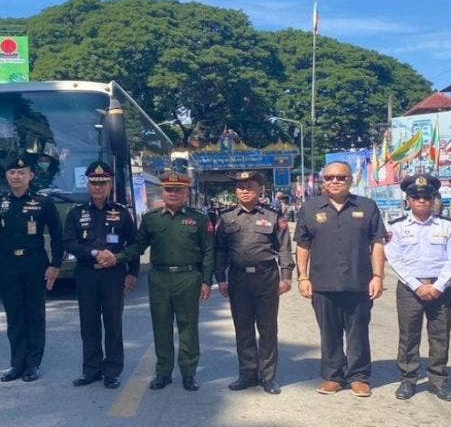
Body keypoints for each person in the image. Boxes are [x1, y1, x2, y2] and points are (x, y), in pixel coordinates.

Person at [294, 161, 386, 397]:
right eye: (329, 177)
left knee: (358, 332)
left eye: (341, 177)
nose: (335, 181)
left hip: (359, 282)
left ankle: (358, 376)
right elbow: (303, 245)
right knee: (329, 333)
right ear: (323, 181)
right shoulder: (310, 208)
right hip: (322, 283)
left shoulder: (367, 206)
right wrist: (302, 277)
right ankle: (333, 376)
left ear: (350, 180)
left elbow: (377, 242)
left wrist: (378, 276)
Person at [117, 170, 214, 391]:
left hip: (188, 277)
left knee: (188, 327)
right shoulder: (151, 219)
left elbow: (208, 252)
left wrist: (207, 281)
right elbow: (138, 246)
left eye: (178, 190)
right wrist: (118, 257)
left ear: (186, 193)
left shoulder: (199, 219)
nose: (172, 193)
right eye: (169, 189)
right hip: (159, 278)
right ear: (163, 192)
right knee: (161, 326)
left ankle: (189, 373)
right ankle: (163, 373)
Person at [0, 152, 63, 383]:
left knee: (34, 315)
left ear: (31, 175)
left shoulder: (43, 202)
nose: (16, 176)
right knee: (14, 315)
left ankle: (33, 363)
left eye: (21, 172)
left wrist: (55, 264)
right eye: (12, 172)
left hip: (35, 264)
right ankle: (17, 363)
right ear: (6, 175)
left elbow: (57, 235)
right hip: (8, 265)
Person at [384, 175, 451, 401]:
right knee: (409, 335)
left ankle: (438, 381)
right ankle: (408, 380)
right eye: (416, 197)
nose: (421, 201)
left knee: (440, 335)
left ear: (433, 199)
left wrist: (438, 286)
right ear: (408, 200)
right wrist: (417, 286)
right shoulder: (396, 227)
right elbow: (395, 259)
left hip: (440, 288)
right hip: (410, 289)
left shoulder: (448, 226)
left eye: (427, 197)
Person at [215, 171, 294, 395]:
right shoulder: (226, 217)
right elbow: (220, 250)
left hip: (266, 277)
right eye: (240, 187)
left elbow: (284, 248)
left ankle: (268, 377)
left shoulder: (273, 216)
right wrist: (220, 278)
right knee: (243, 328)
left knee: (267, 329)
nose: (244, 190)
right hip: (238, 279)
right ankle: (247, 374)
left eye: (250, 186)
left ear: (260, 189)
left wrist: (286, 276)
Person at [62, 161, 139, 389]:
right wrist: (95, 253)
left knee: (113, 324)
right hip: (86, 274)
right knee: (89, 324)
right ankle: (91, 370)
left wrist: (132, 272)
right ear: (88, 185)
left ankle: (112, 371)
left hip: (113, 276)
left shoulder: (121, 213)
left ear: (110, 185)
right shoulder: (76, 213)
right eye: (94, 183)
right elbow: (68, 242)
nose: (98, 187)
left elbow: (133, 244)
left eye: (102, 183)